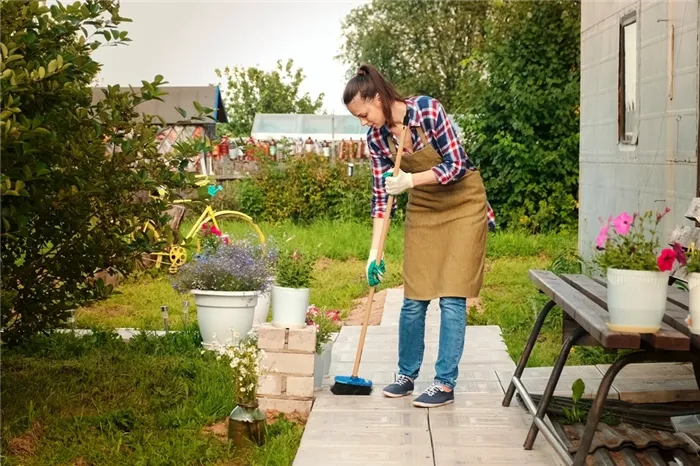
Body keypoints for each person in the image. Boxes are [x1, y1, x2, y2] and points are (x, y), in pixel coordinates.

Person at [343, 64, 496, 408]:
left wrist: (411, 181)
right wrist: (374, 253)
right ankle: (406, 375)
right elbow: (382, 197)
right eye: (358, 118)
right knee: (414, 298)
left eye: (364, 114)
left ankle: (444, 383)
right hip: (426, 208)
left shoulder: (426, 110)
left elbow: (456, 165)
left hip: (463, 203)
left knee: (452, 295)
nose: (364, 122)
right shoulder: (377, 138)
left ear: (379, 99)